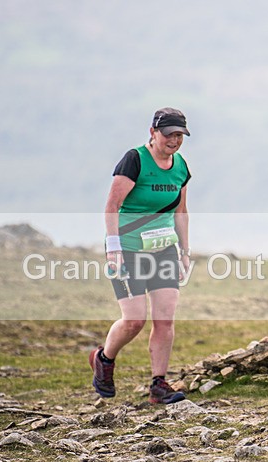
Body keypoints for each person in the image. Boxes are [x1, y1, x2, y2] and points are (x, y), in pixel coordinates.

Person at [89, 107, 193, 404]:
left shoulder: (181, 166)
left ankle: (159, 385)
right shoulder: (135, 160)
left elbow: (181, 211)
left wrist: (184, 252)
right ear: (152, 132)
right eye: (168, 134)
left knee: (165, 319)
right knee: (134, 320)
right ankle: (104, 359)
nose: (174, 140)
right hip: (128, 249)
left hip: (163, 249)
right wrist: (114, 248)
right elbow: (112, 206)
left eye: (179, 135)